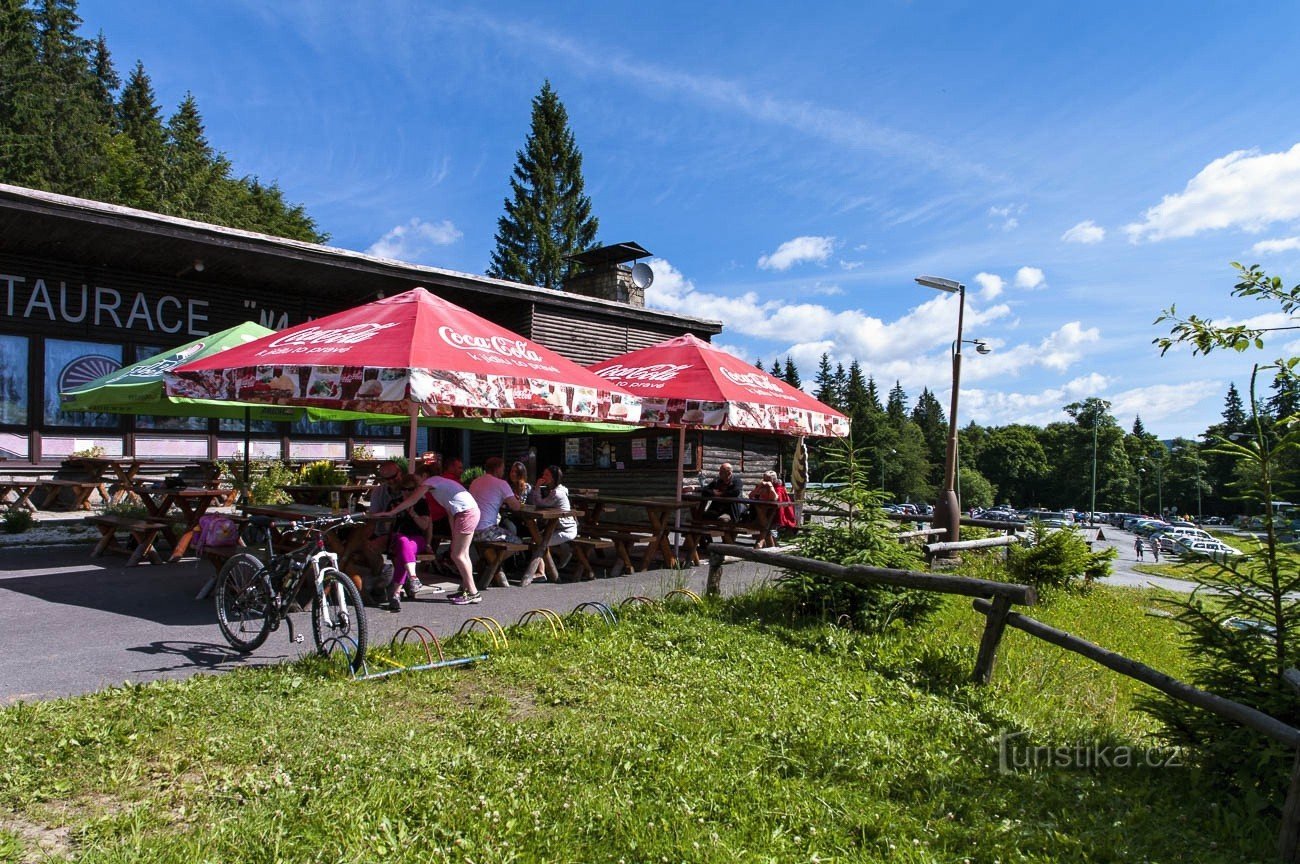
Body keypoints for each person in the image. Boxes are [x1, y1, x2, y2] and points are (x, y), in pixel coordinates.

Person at [383, 458, 482, 605]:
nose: (417, 484)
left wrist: (392, 512)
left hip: (466, 513)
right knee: (462, 554)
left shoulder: (432, 482)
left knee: (458, 555)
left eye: (417, 478)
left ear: (424, 476)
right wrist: (454, 535)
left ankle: (473, 593)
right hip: (467, 512)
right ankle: (467, 588)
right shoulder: (440, 485)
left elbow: (412, 500)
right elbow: (450, 511)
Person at [381, 476, 444, 611]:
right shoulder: (395, 503)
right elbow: (386, 526)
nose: (407, 492)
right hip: (398, 538)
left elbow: (424, 525)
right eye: (403, 489)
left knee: (404, 550)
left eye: (410, 489)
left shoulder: (421, 504)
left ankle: (396, 593)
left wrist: (413, 513)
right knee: (403, 542)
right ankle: (412, 578)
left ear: (416, 490)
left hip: (417, 539)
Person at [523, 464, 578, 585]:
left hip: (566, 530)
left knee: (538, 543)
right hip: (556, 528)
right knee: (538, 541)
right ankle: (561, 554)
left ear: (553, 478)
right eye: (543, 474)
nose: (543, 477)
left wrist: (537, 487)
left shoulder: (557, 493)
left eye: (546, 475)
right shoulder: (554, 490)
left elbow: (540, 503)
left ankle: (541, 573)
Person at [470, 456, 523, 544]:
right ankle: (497, 558)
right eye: (503, 469)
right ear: (497, 469)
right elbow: (516, 507)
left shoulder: (475, 482)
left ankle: (491, 558)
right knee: (519, 542)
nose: (503, 472)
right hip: (486, 530)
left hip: (471, 529)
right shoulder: (501, 483)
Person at [750, 470, 798, 535]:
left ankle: (764, 540)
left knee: (765, 523)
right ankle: (764, 540)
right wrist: (759, 487)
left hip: (775, 514)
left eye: (768, 480)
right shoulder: (761, 486)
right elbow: (751, 496)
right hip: (763, 512)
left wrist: (770, 487)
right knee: (760, 516)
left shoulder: (779, 488)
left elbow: (773, 499)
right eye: (764, 479)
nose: (765, 481)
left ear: (774, 480)